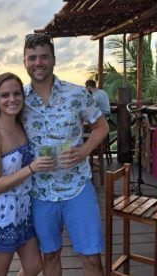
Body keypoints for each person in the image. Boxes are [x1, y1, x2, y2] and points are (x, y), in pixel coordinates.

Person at [23, 33, 109, 275]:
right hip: (40, 191)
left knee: (91, 257)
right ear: (25, 62)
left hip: (78, 187)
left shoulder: (77, 94)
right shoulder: (19, 99)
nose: (38, 63)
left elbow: (101, 127)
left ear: (53, 60)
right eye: (32, 58)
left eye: (43, 57)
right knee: (49, 255)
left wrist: (83, 151)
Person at [0, 72, 55, 276]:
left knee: (33, 266)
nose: (12, 99)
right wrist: (31, 168)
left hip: (24, 209)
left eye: (17, 93)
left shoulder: (21, 125)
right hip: (1, 214)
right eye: (5, 95)